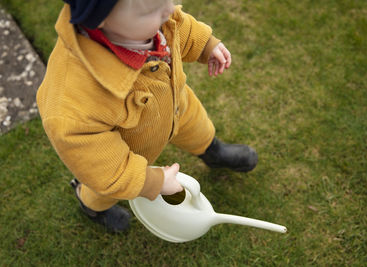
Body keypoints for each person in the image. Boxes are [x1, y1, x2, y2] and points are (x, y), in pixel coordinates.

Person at [36, 0, 258, 232]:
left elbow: (177, 25)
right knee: (102, 191)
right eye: (153, 10)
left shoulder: (150, 18)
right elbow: (104, 168)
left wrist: (205, 44)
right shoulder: (73, 100)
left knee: (198, 127)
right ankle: (92, 206)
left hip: (176, 106)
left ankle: (213, 151)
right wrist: (155, 182)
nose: (170, 10)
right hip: (130, 149)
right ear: (99, 19)